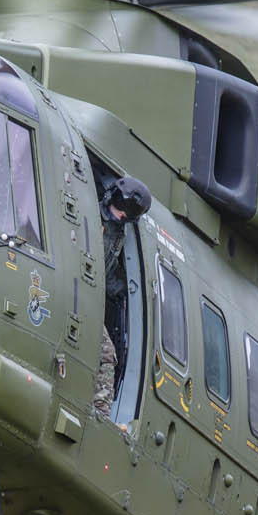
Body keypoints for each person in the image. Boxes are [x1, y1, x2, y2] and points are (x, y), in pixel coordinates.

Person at [93, 176, 153, 417]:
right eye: (121, 206)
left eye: (128, 212)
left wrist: (124, 293)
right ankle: (100, 413)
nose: (121, 215)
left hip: (92, 293)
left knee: (108, 354)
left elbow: (107, 274)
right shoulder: (91, 214)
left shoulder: (118, 234)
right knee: (106, 355)